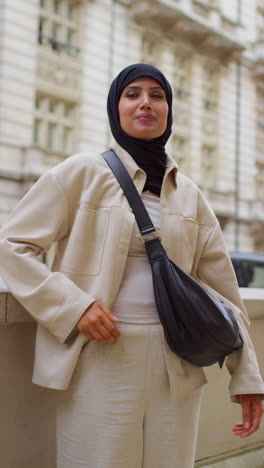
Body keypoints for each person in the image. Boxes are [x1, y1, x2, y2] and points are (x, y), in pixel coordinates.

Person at [0, 63, 263, 468]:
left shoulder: (190, 194)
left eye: (157, 96)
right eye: (133, 94)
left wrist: (246, 378)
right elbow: (12, 245)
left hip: (178, 360)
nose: (146, 103)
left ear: (169, 111)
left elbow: (224, 293)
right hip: (99, 354)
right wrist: (74, 307)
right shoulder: (81, 173)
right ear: (115, 107)